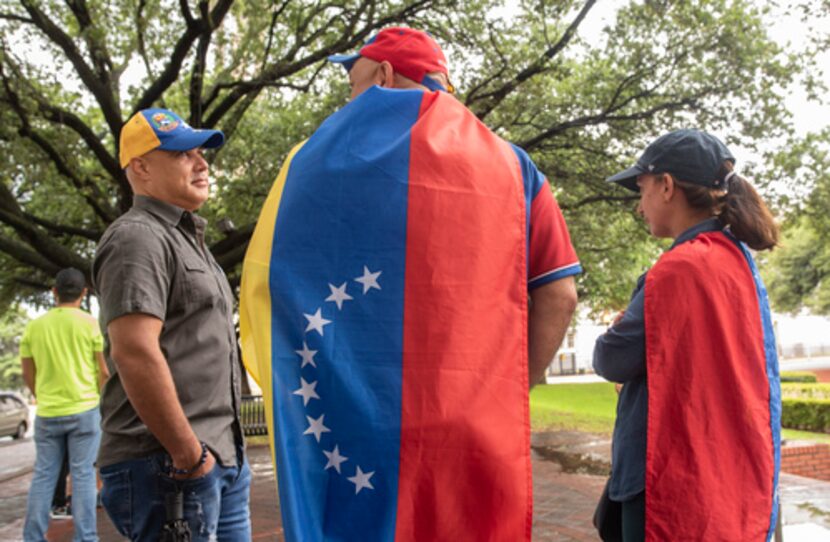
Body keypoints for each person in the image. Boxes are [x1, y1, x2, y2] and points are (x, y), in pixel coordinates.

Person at [240, 27, 580, 541]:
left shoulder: (306, 165)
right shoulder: (515, 169)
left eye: (353, 85)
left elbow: (267, 284)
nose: (349, 99)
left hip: (349, 432)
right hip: (470, 431)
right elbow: (560, 292)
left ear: (382, 76)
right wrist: (514, 389)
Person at [593, 129, 781, 541]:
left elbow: (610, 359)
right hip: (722, 469)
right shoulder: (737, 262)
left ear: (666, 186)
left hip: (663, 476)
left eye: (640, 189)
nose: (639, 206)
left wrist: (618, 326)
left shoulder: (678, 270)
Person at [92, 108, 250, 541]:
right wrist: (188, 455)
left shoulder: (188, 238)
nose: (201, 163)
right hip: (166, 464)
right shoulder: (137, 237)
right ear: (140, 168)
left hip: (216, 459)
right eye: (183, 154)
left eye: (201, 153)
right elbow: (134, 351)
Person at [20, 268, 108, 542]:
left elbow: (27, 371)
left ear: (54, 292)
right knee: (82, 475)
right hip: (84, 409)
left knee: (44, 475)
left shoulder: (35, 326)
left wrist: (41, 394)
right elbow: (103, 372)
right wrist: (95, 398)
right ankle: (86, 537)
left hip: (48, 412)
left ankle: (33, 536)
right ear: (84, 293)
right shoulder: (90, 323)